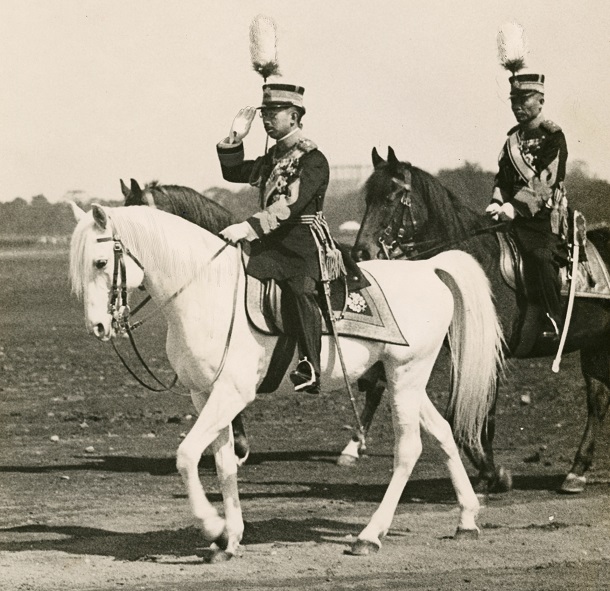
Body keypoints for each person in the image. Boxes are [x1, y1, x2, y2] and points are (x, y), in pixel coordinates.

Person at [217, 83, 334, 393]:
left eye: (273, 113)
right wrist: (234, 140)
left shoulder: (312, 159)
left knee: (298, 288)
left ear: (294, 116)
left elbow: (290, 206)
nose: (266, 119)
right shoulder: (273, 158)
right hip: (269, 241)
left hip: (301, 242)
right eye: (264, 113)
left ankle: (310, 365)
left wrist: (247, 227)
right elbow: (234, 174)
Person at [486, 71, 569, 337]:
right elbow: (503, 177)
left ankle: (552, 318)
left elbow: (546, 180)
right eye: (513, 100)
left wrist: (515, 207)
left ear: (541, 101)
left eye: (525, 99)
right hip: (508, 217)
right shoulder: (511, 141)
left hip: (541, 220)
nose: (517, 106)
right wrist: (497, 201)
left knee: (540, 258)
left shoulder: (553, 137)